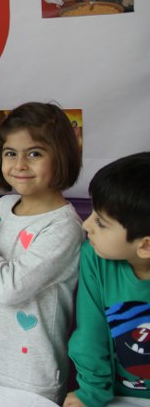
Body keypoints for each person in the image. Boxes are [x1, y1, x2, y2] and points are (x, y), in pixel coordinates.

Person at [0, 102, 84, 403]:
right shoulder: (3, 206)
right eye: (10, 153)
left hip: (31, 377)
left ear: (62, 157)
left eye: (35, 153)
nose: (19, 165)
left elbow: (9, 287)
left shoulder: (64, 227)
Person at [64, 152, 150, 407]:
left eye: (101, 222)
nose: (86, 225)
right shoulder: (95, 257)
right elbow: (91, 334)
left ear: (145, 246)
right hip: (118, 397)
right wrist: (90, 393)